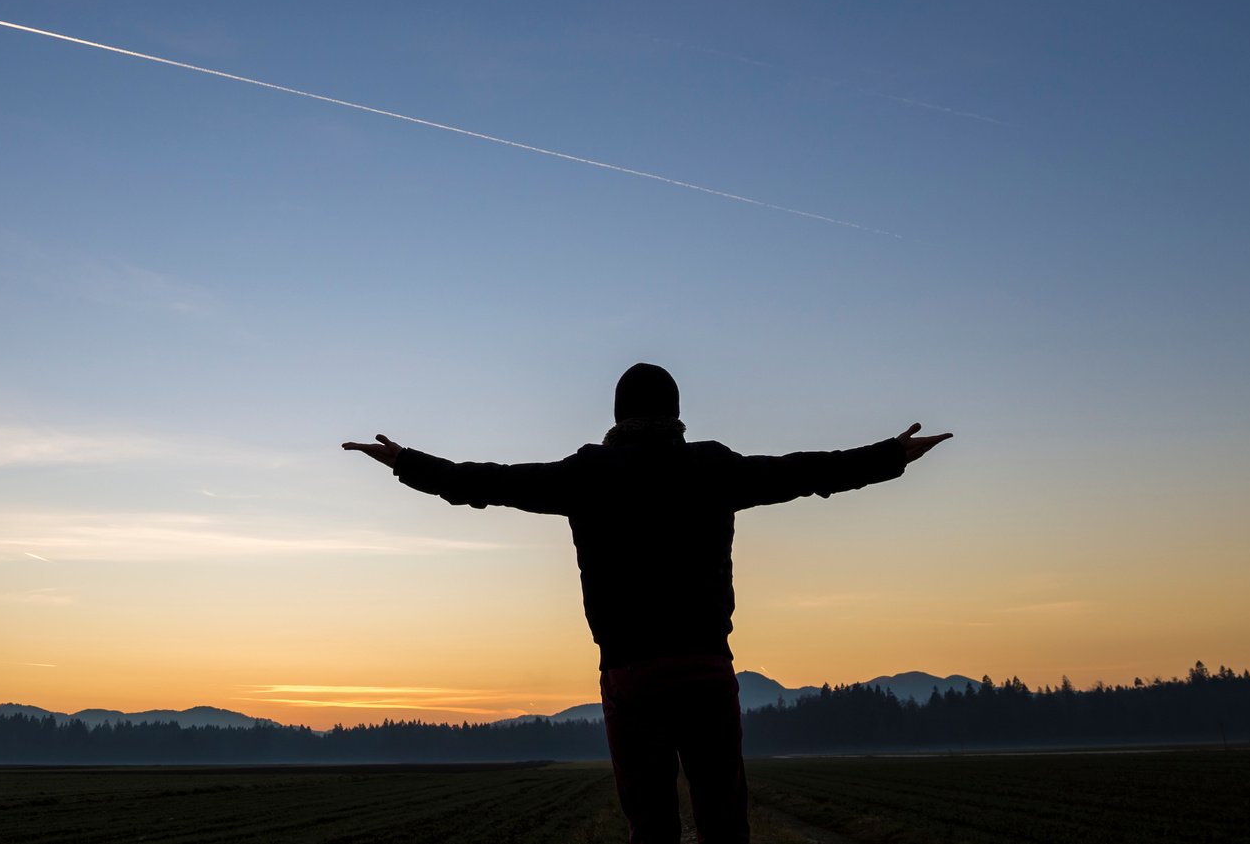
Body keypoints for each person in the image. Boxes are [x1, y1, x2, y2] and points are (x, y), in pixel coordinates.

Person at [342, 362, 951, 844]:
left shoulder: (589, 473)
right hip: (706, 670)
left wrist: (405, 463)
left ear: (617, 414)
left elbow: (487, 483)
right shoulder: (711, 468)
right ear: (676, 413)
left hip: (630, 678)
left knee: (652, 830)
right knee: (724, 826)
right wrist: (889, 455)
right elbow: (805, 472)